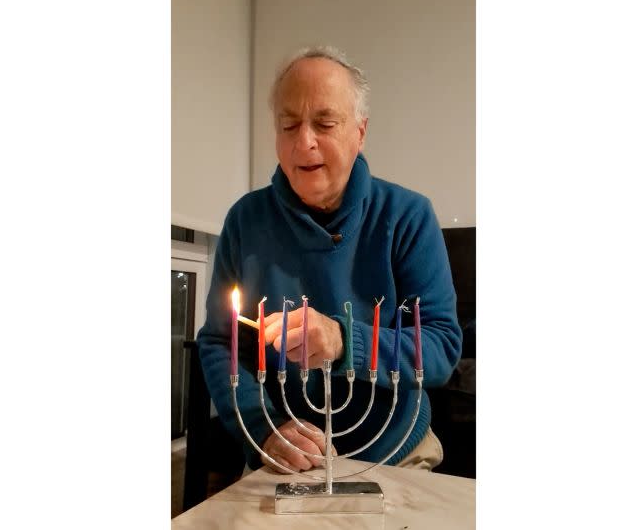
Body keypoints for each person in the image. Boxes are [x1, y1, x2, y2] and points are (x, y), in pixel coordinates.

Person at [196, 45, 461, 474]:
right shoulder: (246, 219)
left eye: (324, 123)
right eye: (288, 124)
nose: (304, 142)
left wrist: (345, 342)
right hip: (284, 453)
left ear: (360, 131)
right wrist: (262, 426)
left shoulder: (408, 216)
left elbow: (442, 347)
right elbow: (219, 341)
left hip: (395, 450)